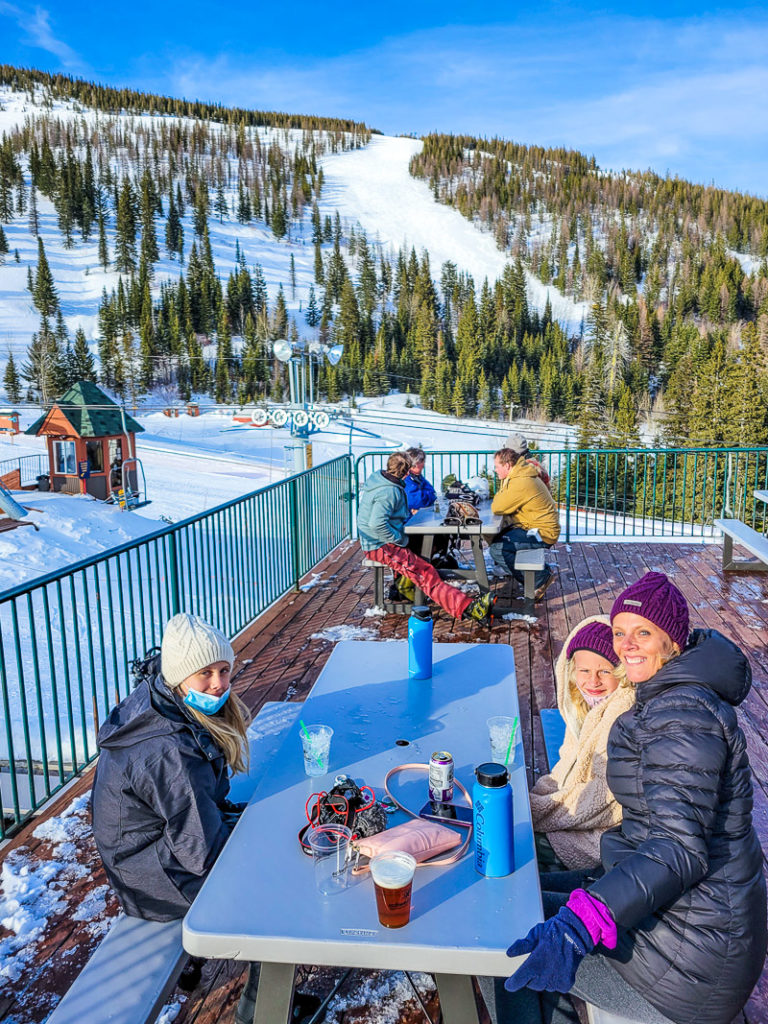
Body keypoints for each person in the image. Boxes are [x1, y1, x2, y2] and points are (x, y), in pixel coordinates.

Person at [486, 571, 767, 1024]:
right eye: (620, 633)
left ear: (672, 642)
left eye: (643, 633)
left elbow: (677, 850)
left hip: (688, 961)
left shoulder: (683, 714)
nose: (627, 645)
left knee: (501, 933)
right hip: (684, 920)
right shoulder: (669, 696)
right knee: (517, 900)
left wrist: (584, 920)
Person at [92, 613, 251, 922]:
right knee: (272, 875)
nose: (218, 684)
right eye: (205, 672)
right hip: (156, 883)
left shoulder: (165, 698)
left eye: (224, 670)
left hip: (159, 855)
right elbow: (202, 854)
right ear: (179, 677)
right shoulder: (170, 752)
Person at [529, 617, 634, 872]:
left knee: (518, 848)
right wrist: (535, 797)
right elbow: (564, 767)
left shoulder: (621, 716)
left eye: (604, 671)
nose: (593, 681)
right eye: (584, 671)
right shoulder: (582, 708)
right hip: (576, 819)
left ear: (621, 672)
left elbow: (605, 797)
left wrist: (534, 812)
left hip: (602, 838)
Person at [357, 451, 492, 623]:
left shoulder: (383, 481)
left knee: (426, 546)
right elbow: (376, 524)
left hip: (382, 540)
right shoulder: (388, 492)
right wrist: (399, 540)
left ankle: (404, 587)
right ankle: (468, 608)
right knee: (425, 572)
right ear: (406, 472)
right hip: (380, 545)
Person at [489, 447, 560, 599]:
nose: (495, 470)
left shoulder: (521, 481)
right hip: (534, 527)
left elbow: (497, 506)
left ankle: (540, 579)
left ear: (507, 466)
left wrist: (504, 485)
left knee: (497, 549)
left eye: (497, 466)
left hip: (543, 533)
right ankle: (540, 573)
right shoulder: (520, 474)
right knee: (498, 539)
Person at [404, 446, 457, 570]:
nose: (423, 465)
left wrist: (427, 497)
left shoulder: (417, 478)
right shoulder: (407, 479)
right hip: (409, 524)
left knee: (444, 533)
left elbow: (431, 492)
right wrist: (427, 497)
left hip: (418, 520)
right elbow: (417, 500)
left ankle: (436, 561)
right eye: (421, 462)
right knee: (437, 535)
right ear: (414, 463)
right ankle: (428, 566)